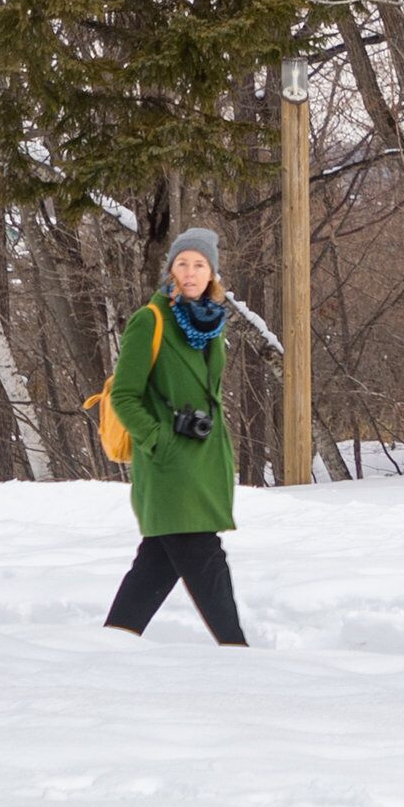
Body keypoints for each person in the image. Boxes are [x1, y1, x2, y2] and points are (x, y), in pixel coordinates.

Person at [103, 229, 250, 644]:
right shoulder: (149, 319)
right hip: (169, 467)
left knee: (156, 565)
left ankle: (112, 642)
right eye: (182, 263)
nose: (190, 272)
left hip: (203, 463)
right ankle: (237, 651)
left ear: (212, 274)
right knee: (204, 556)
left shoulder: (210, 322)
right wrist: (159, 439)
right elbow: (126, 396)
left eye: (199, 265)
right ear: (170, 269)